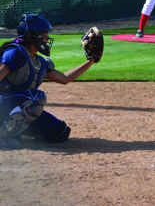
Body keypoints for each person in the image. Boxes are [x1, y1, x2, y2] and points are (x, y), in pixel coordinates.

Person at [0, 14, 97, 148]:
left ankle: (18, 131)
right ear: (32, 35)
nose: (46, 38)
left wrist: (90, 61)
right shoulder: (14, 53)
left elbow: (65, 78)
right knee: (36, 97)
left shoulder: (39, 62)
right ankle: (3, 137)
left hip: (18, 108)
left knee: (60, 133)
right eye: (44, 33)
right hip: (3, 104)